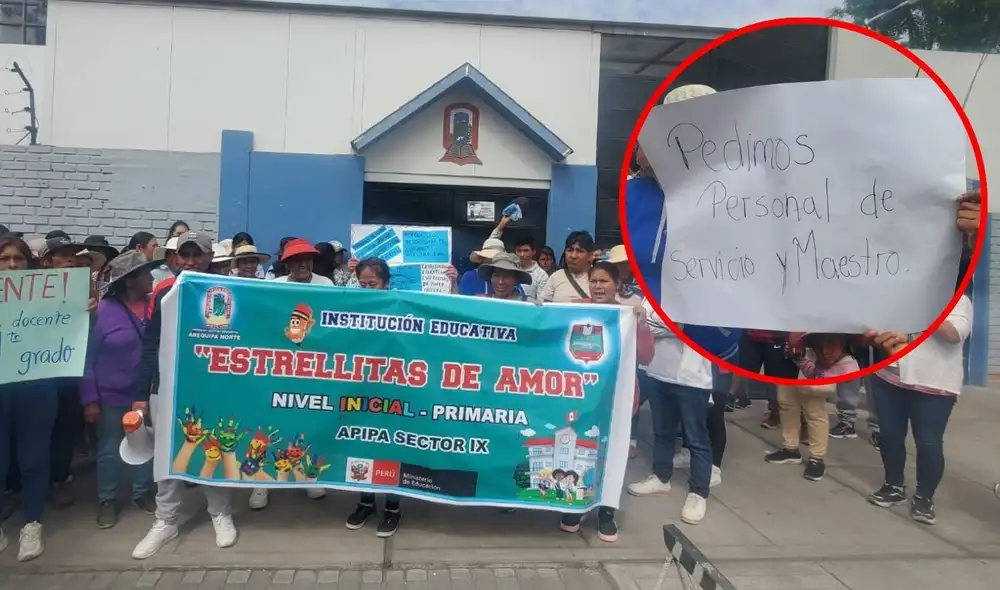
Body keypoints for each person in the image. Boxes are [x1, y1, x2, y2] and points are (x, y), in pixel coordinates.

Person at [131, 231, 238, 560]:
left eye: (197, 255)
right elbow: (150, 345)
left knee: (213, 449)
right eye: (184, 255)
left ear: (210, 258)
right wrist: (140, 395)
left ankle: (220, 513)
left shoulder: (230, 291)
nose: (189, 262)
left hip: (212, 387)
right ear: (175, 258)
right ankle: (166, 520)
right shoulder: (164, 291)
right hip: (167, 387)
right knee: (166, 455)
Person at [865, 256, 973, 525]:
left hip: (934, 386)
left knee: (928, 443)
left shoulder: (959, 302)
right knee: (889, 436)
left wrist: (927, 309)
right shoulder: (900, 296)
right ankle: (893, 486)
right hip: (889, 379)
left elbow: (953, 333)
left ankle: (924, 497)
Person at [558, 262, 653, 542]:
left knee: (612, 457)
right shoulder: (575, 308)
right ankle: (577, 507)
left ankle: (606, 511)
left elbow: (646, 357)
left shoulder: (628, 314)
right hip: (582, 399)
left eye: (604, 281)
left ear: (616, 284)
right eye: (594, 281)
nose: (598, 286)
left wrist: (642, 324)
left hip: (618, 401)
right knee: (581, 452)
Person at [82, 250, 163, 529]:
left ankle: (142, 493)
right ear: (129, 281)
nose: (152, 277)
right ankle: (107, 500)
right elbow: (87, 357)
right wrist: (89, 398)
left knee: (145, 444)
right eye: (145, 273)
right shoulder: (102, 312)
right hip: (111, 396)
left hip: (147, 394)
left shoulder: (156, 306)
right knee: (108, 449)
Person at [0, 234, 59, 561]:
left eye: (17, 259)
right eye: (5, 259)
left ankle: (32, 524)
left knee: (34, 461)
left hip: (37, 390)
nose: (11, 265)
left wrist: (84, 312)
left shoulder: (51, 297)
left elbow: (68, 330)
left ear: (29, 263)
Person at [345, 258, 403, 537]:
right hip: (360, 389)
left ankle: (392, 508)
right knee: (361, 443)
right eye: (363, 283)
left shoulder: (401, 304)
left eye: (374, 283)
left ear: (386, 282)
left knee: (390, 446)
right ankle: (365, 502)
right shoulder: (353, 305)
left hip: (393, 388)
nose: (368, 288)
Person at [765, 334, 859, 482]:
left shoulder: (843, 358)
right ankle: (790, 449)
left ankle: (817, 458)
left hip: (817, 350)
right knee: (786, 404)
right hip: (795, 353)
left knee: (815, 412)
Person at [538, 231, 597, 303]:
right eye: (570, 250)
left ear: (590, 255)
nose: (573, 256)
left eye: (580, 251)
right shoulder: (556, 277)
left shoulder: (599, 277)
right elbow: (544, 306)